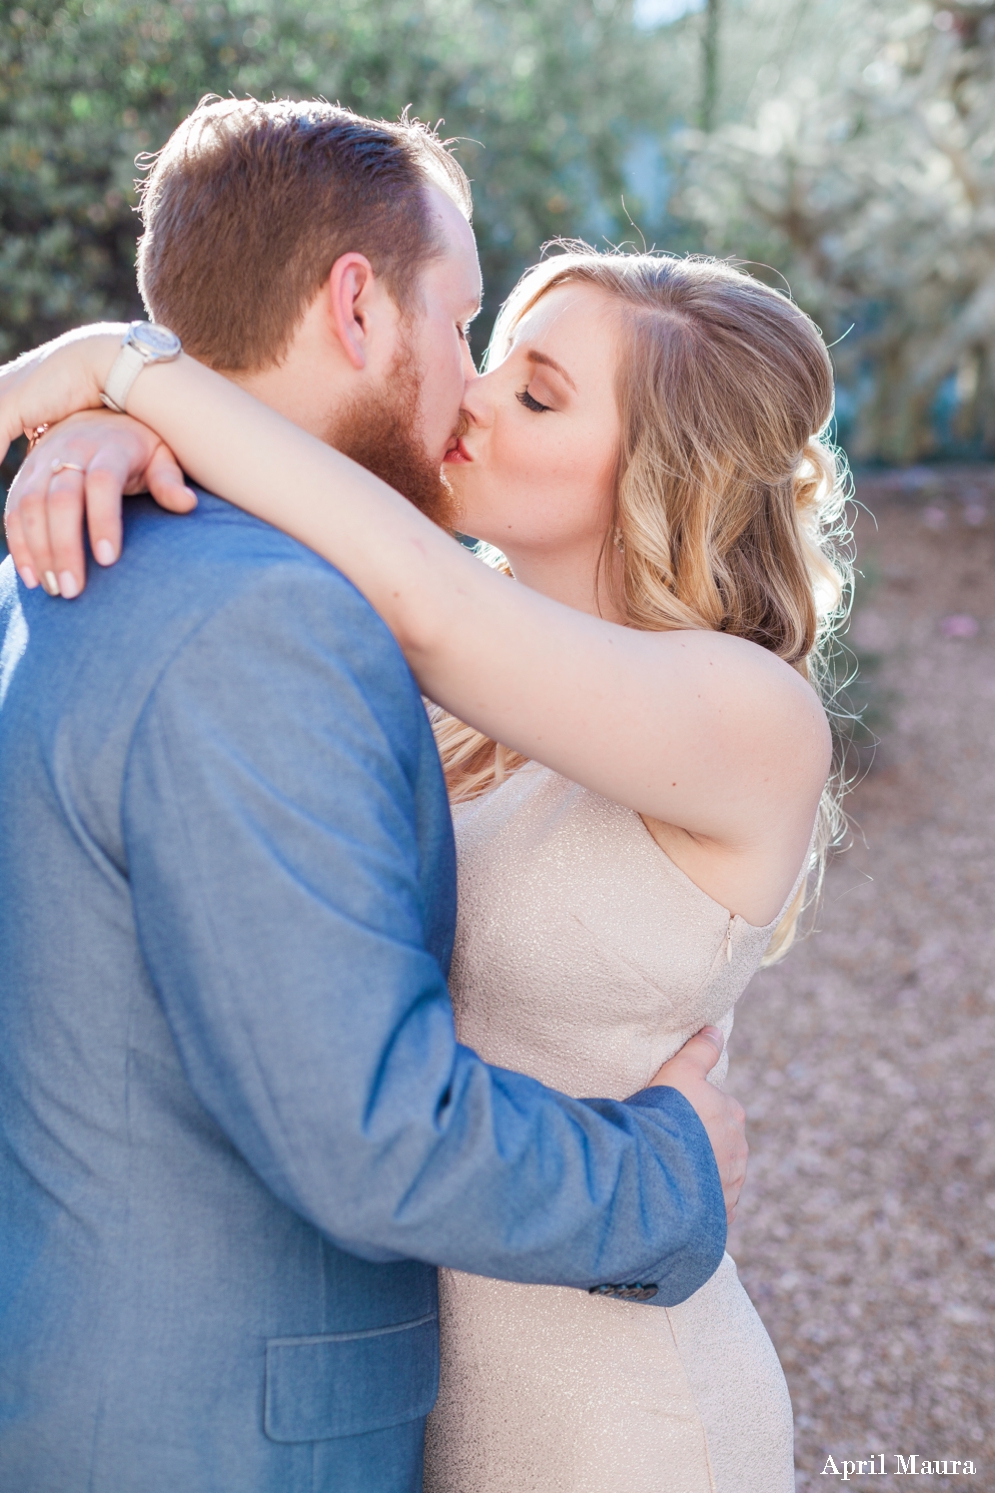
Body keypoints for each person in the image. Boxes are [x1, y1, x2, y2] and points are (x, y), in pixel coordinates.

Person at [0, 101, 749, 1493]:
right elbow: (369, 1131)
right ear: (357, 306)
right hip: (219, 1440)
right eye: (464, 328)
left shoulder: (93, 559)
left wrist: (114, 392)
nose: (467, 387)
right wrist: (669, 1170)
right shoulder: (265, 619)